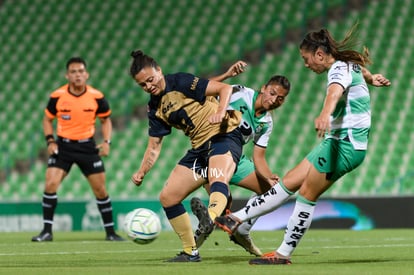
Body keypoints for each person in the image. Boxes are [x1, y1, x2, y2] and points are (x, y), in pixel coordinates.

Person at [214, 24, 391, 265]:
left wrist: (325, 114)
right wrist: (374, 79)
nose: (306, 65)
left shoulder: (337, 70)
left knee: (307, 194)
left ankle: (282, 254)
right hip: (337, 141)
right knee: (289, 182)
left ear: (319, 54)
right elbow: (362, 72)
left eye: (306, 59)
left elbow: (334, 93)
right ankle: (235, 218)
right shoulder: (350, 65)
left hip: (346, 144)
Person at [129, 50, 243, 262]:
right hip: (199, 147)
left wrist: (220, 110)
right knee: (168, 198)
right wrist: (142, 171)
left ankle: (211, 217)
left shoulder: (180, 81)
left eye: (150, 80)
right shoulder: (154, 108)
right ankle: (191, 251)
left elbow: (225, 88)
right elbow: (154, 146)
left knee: (218, 178)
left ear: (159, 70)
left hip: (222, 136)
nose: (148, 86)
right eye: (142, 85)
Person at [191, 61, 291, 256]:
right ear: (263, 88)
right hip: (212, 152)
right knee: (220, 204)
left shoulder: (266, 123)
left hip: (236, 158)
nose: (274, 100)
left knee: (272, 190)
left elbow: (259, 157)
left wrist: (269, 177)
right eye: (272, 93)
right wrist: (227, 75)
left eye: (280, 98)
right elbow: (205, 89)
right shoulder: (241, 92)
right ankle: (193, 248)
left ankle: (242, 229)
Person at [32, 57, 124, 242]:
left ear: (86, 74)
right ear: (67, 75)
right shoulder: (57, 96)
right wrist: (50, 141)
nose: (78, 75)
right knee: (50, 184)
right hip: (63, 146)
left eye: (81, 71)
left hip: (87, 146)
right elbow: (47, 119)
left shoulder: (96, 96)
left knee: (100, 190)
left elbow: (106, 120)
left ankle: (111, 233)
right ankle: (47, 232)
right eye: (73, 72)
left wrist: (107, 142)